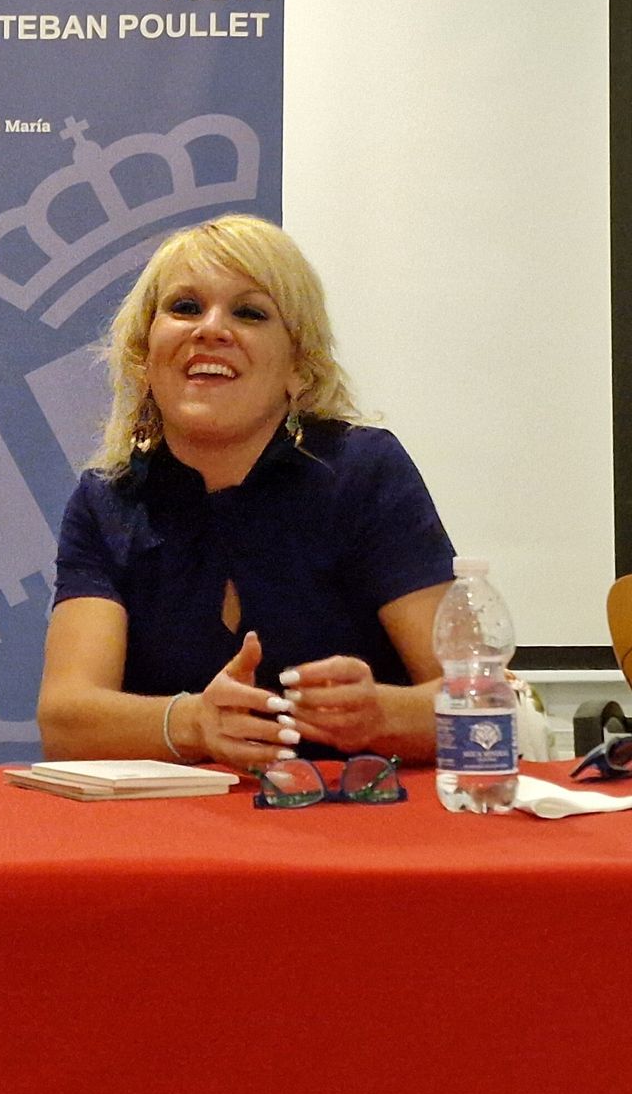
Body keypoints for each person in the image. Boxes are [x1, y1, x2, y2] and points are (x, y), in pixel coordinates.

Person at [38, 214, 455, 771]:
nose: (211, 329)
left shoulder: (364, 470)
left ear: (299, 370)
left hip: (354, 832)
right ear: (143, 357)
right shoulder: (107, 499)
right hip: (174, 839)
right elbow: (66, 720)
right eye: (185, 308)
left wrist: (382, 714)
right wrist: (194, 724)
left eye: (250, 312)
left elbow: (481, 702)